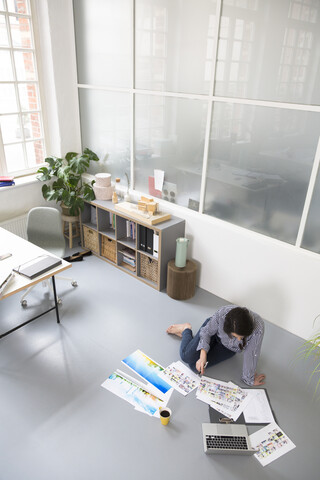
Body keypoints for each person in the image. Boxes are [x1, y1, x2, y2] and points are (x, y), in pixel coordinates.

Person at [166, 304, 265, 386]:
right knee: (186, 356)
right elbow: (207, 332)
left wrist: (249, 379)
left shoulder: (258, 328)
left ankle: (191, 339)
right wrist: (203, 355)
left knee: (194, 367)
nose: (239, 340)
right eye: (235, 336)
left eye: (242, 337)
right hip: (212, 334)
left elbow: (252, 353)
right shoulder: (223, 313)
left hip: (228, 348)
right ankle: (185, 329)